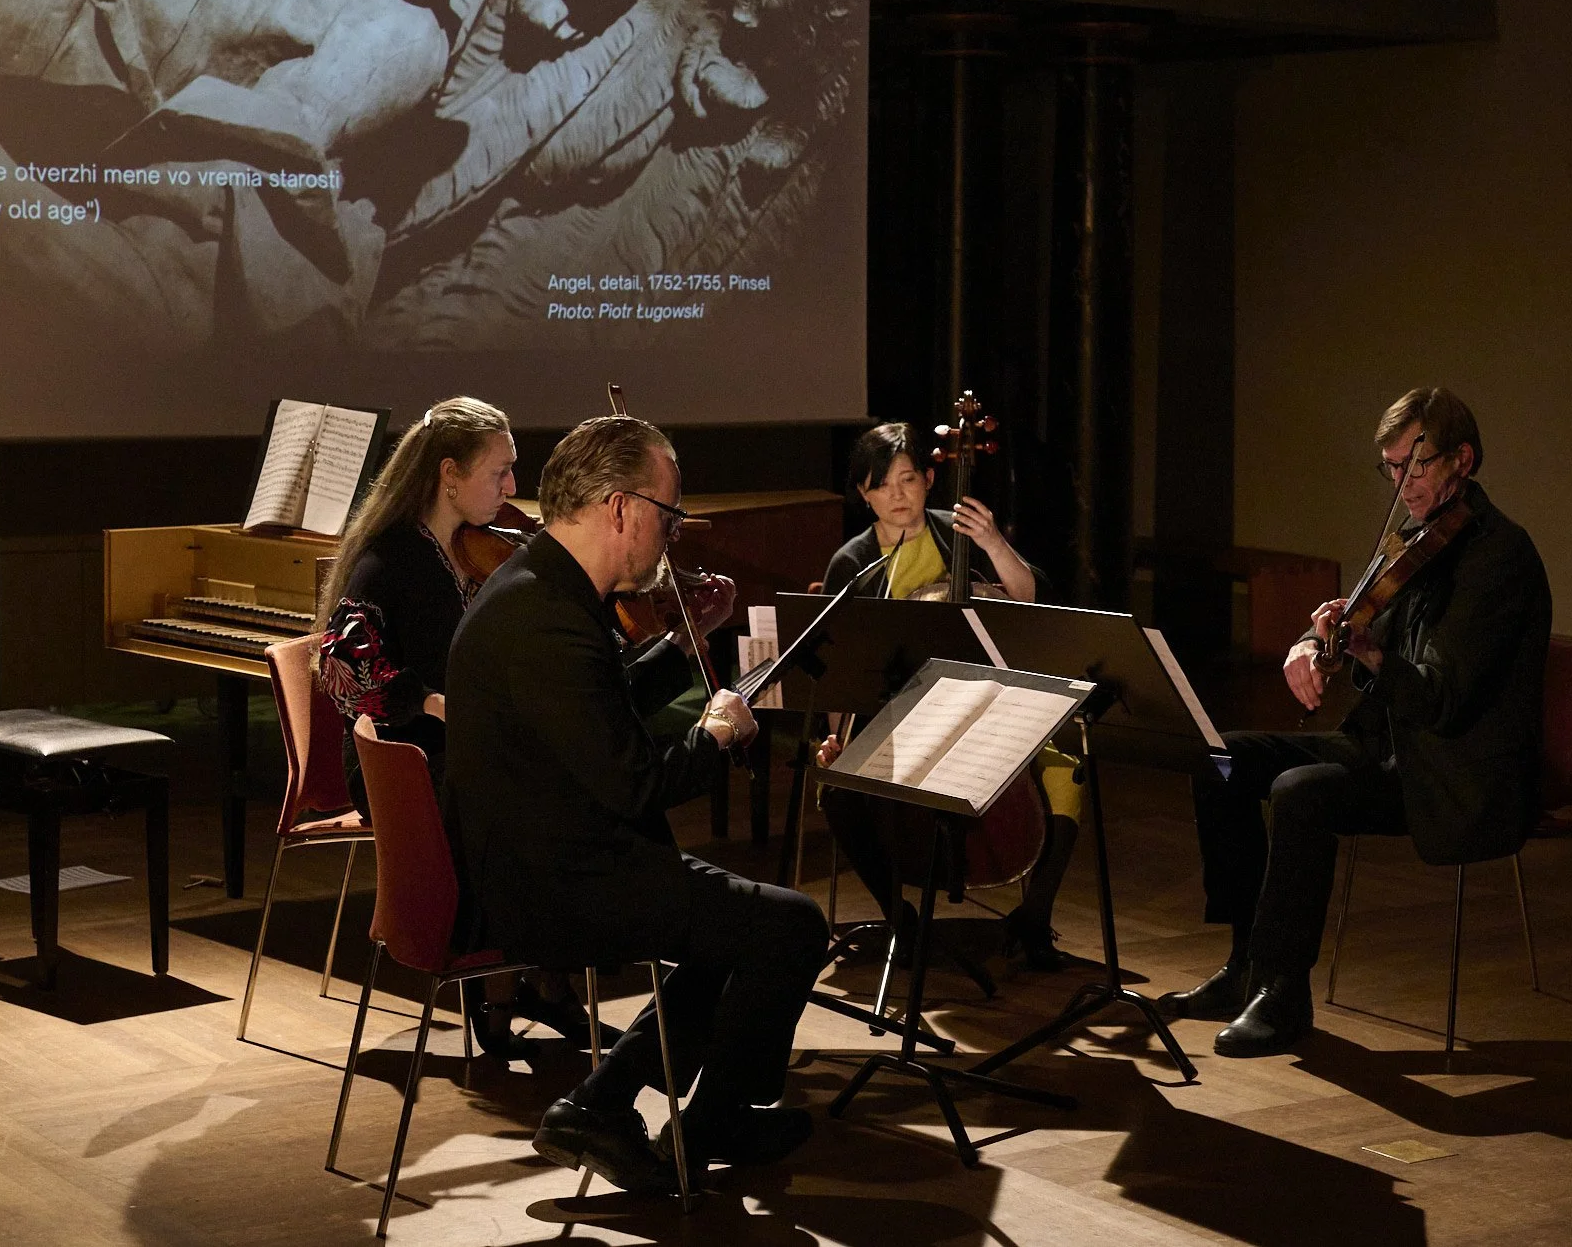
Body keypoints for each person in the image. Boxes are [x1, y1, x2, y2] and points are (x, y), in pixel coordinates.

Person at [444, 415, 829, 1194]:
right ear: (622, 508)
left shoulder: (540, 589)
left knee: (741, 928)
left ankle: (606, 1101)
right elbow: (635, 785)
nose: (673, 532)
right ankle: (705, 1115)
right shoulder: (545, 616)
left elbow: (598, 708)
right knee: (789, 925)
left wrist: (680, 651)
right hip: (552, 885)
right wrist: (717, 736)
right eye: (670, 512)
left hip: (554, 855)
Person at [1162, 388, 1551, 1057]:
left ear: (1464, 459)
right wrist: (1313, 645)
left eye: (1416, 465)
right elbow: (1357, 626)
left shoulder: (1498, 558)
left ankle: (1283, 993)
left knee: (1300, 792)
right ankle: (1246, 965)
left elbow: (1443, 696)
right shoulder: (1415, 545)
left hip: (1453, 771)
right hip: (1387, 749)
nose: (1403, 484)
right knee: (1219, 757)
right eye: (1392, 468)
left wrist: (1370, 651)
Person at [314, 396, 599, 1061]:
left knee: (547, 781)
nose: (510, 489)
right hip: (403, 761)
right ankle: (521, 978)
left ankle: (528, 977)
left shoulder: (459, 548)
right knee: (527, 802)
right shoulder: (395, 555)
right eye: (499, 472)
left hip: (448, 747)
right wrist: (432, 700)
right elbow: (341, 666)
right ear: (448, 473)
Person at [818, 422, 1081, 969]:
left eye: (909, 479)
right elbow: (840, 667)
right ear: (862, 494)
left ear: (930, 479)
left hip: (987, 711)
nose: (897, 495)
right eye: (880, 485)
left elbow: (1029, 597)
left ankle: (1034, 920)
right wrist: (833, 734)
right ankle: (903, 922)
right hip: (899, 718)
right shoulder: (852, 562)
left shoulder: (958, 534)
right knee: (836, 790)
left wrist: (992, 541)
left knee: (1063, 773)